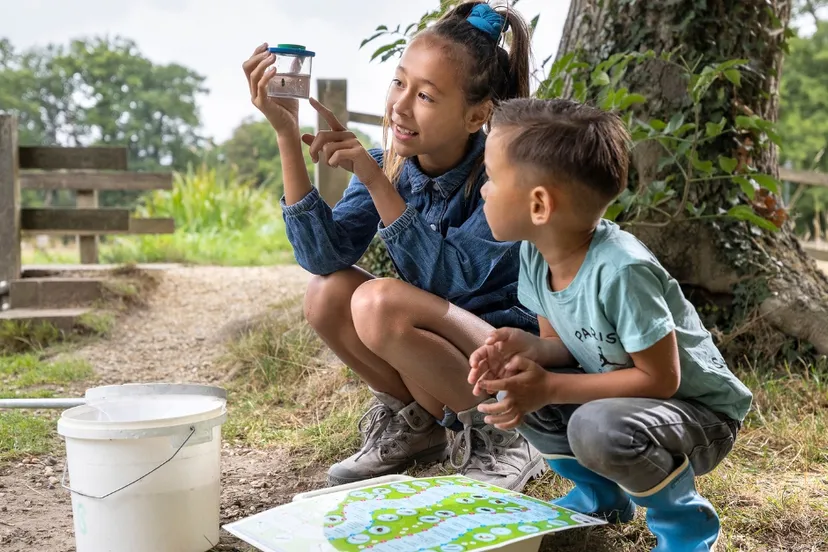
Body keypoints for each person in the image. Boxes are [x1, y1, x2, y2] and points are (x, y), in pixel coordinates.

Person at [241, 1, 546, 491]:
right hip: (446, 368)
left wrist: (375, 180)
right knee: (327, 293)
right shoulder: (390, 166)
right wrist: (285, 132)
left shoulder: (499, 180)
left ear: (477, 115)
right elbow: (322, 257)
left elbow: (453, 279)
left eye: (425, 95)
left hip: (509, 366)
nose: (400, 106)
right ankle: (417, 427)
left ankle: (506, 439)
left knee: (379, 301)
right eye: (399, 82)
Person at [468, 97, 753, 551]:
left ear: (539, 205)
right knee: (517, 386)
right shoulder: (534, 252)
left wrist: (551, 387)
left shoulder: (622, 271)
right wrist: (522, 349)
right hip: (626, 402)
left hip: (699, 416)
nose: (483, 190)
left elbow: (661, 379)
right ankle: (602, 499)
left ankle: (688, 530)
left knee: (594, 426)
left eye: (491, 178)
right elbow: (561, 346)